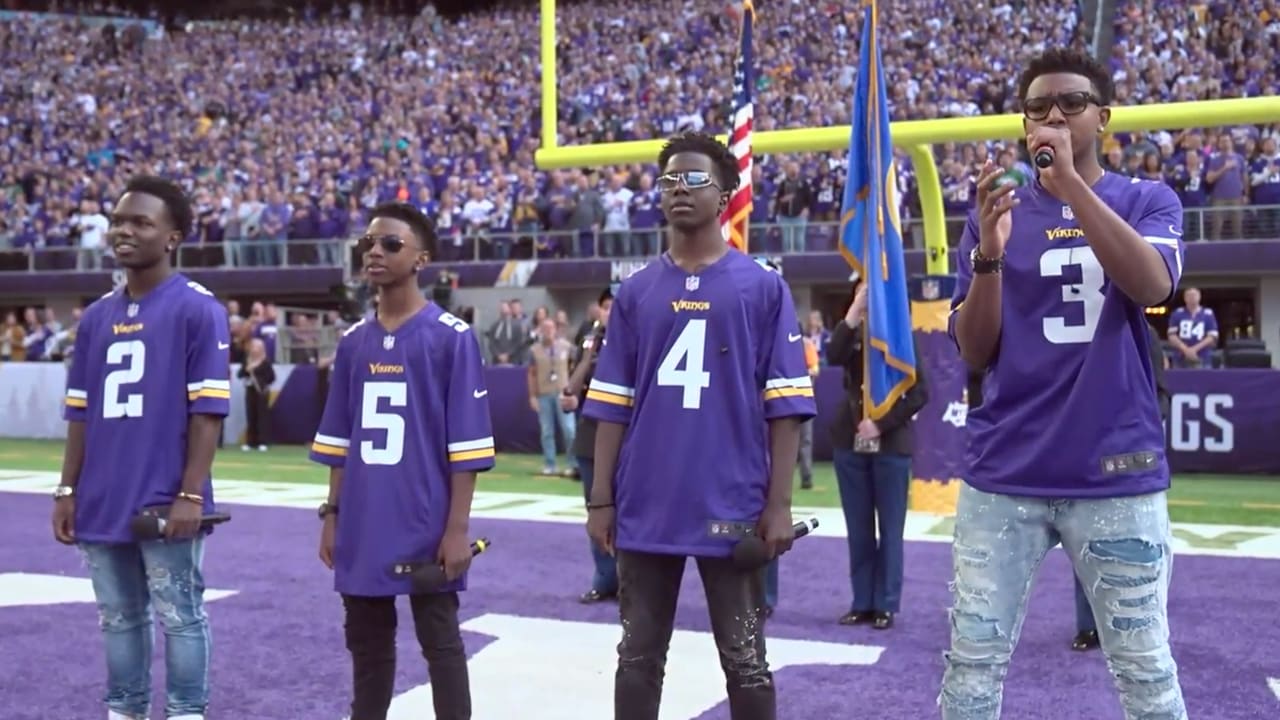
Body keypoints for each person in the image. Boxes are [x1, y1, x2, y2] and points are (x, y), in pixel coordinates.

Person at [939, 49, 1188, 720]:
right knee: (972, 665)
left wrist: (1072, 186)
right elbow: (973, 350)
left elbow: (1153, 286)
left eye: (1070, 103)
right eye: (1037, 107)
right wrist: (989, 251)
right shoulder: (993, 211)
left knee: (1144, 669)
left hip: (1113, 467)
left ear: (1103, 117)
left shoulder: (1146, 199)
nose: (1052, 116)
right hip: (1004, 469)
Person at [582, 131, 817, 720]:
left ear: (727, 194)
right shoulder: (635, 291)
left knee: (744, 657)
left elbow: (785, 406)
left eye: (694, 180)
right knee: (637, 656)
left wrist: (779, 503)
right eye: (668, 181)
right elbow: (612, 402)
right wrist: (601, 498)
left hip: (732, 498)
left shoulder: (763, 286)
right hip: (647, 501)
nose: (678, 190)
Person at [53, 175, 231, 720]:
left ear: (172, 237)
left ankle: (184, 713)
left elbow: (208, 412)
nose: (124, 231)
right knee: (118, 617)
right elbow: (79, 412)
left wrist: (191, 493)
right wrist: (67, 487)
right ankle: (125, 712)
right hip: (103, 492)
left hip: (164, 493)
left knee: (179, 613)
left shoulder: (198, 308)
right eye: (119, 221)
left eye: (140, 222)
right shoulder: (96, 316)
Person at [309, 202, 494, 720]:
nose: (375, 251)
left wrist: (457, 529)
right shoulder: (352, 343)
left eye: (391, 244)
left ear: (421, 259)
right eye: (369, 242)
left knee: (441, 645)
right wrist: (332, 515)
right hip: (363, 520)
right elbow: (340, 442)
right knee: (367, 651)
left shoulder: (451, 338)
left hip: (426, 520)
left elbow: (468, 450)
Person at [828, 281, 929, 631]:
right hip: (849, 440)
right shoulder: (853, 333)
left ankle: (886, 604)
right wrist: (854, 312)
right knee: (858, 529)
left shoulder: (901, 339)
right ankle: (862, 602)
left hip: (890, 445)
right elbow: (832, 355)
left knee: (890, 528)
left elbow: (920, 392)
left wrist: (882, 424)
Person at [1072, 321, 1172, 651]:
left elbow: (1160, 394)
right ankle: (1089, 626)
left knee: (1139, 541)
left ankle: (1139, 621)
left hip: (1130, 449)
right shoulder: (1083, 330)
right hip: (1087, 445)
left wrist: (1138, 430)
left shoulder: (1145, 332)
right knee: (1082, 536)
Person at [563, 286, 619, 603]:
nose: (609, 312)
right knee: (595, 510)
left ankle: (628, 580)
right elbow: (571, 388)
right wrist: (588, 356)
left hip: (624, 441)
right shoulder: (588, 342)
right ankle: (603, 578)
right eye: (605, 307)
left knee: (625, 512)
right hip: (590, 437)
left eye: (614, 307)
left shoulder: (634, 343)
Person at [237, 337, 275, 451]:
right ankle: (250, 442)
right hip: (250, 390)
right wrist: (246, 370)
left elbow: (271, 377)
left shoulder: (265, 362)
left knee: (262, 416)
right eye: (253, 347)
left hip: (262, 391)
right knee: (251, 416)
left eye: (258, 347)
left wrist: (260, 379)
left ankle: (262, 441)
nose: (255, 349)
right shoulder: (247, 360)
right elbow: (240, 374)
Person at [1165, 286, 1218, 368]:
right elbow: (1172, 335)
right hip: (1181, 357)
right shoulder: (1177, 313)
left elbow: (1212, 336)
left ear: (1199, 297)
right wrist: (1186, 350)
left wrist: (1194, 349)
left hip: (1202, 357)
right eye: (1189, 296)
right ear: (1185, 298)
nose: (1192, 298)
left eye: (1194, 295)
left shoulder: (1208, 314)